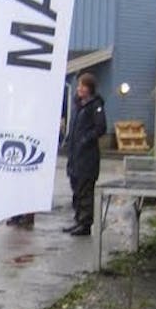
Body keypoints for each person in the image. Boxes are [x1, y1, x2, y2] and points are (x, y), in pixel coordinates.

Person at [63, 72, 106, 236]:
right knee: (76, 189)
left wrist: (85, 140)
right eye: (79, 85)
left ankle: (86, 223)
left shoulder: (95, 105)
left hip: (87, 157)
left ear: (90, 88)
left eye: (83, 85)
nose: (79, 88)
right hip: (75, 155)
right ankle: (78, 219)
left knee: (85, 191)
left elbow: (101, 127)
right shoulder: (77, 105)